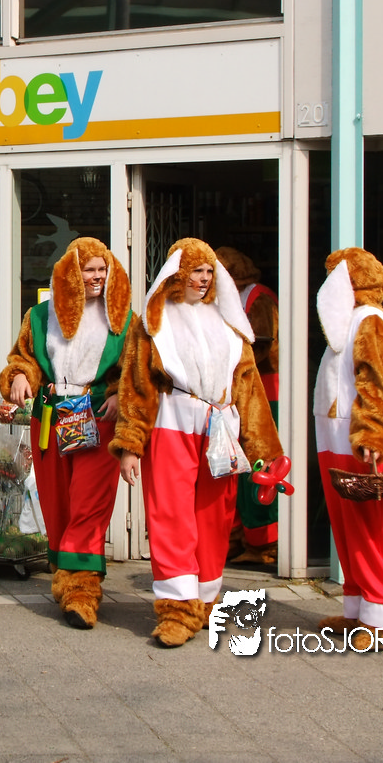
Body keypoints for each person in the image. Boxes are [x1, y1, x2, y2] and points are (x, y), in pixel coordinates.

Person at [112, 238, 284, 647]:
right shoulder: (152, 323)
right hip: (172, 425)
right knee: (170, 515)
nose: (204, 279)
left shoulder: (230, 322)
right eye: (196, 271)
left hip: (220, 428)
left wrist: (265, 451)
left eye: (209, 271)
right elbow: (136, 386)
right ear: (177, 274)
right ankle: (176, 607)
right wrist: (131, 445)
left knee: (215, 516)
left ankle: (205, 600)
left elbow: (249, 388)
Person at [0, 236, 135, 629]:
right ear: (70, 273)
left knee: (88, 505)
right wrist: (20, 376)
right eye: (88, 269)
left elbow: (135, 371)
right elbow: (22, 358)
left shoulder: (124, 318)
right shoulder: (40, 316)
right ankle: (68, 578)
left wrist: (117, 393)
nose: (96, 277)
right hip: (50, 419)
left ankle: (82, 592)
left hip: (97, 418)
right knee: (57, 505)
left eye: (102, 269)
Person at [313, 247, 383, 651]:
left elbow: (380, 380)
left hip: (361, 443)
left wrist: (373, 436)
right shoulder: (353, 321)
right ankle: (361, 609)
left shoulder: (369, 321)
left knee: (373, 532)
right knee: (350, 530)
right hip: (340, 438)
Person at [215, 246, 281, 565]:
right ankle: (240, 538)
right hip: (238, 392)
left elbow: (262, 343)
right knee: (238, 469)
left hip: (265, 390)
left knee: (261, 465)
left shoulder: (259, 297)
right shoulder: (227, 300)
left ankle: (265, 544)